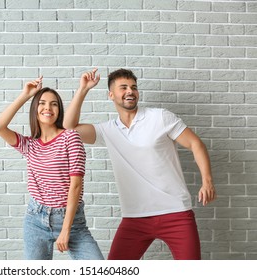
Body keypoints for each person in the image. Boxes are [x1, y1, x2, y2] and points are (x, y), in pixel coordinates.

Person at [63, 68, 217, 260]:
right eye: (124, 87)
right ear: (111, 95)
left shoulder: (160, 117)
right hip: (135, 218)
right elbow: (67, 129)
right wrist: (83, 89)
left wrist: (207, 181)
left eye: (134, 87)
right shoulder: (108, 130)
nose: (130, 91)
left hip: (176, 213)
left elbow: (196, 144)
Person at [0, 76, 104, 260]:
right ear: (35, 109)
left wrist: (66, 229)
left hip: (72, 221)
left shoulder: (70, 138)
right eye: (42, 103)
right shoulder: (30, 145)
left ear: (59, 110)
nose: (48, 108)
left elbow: (75, 186)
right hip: (36, 220)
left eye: (54, 104)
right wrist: (25, 95)